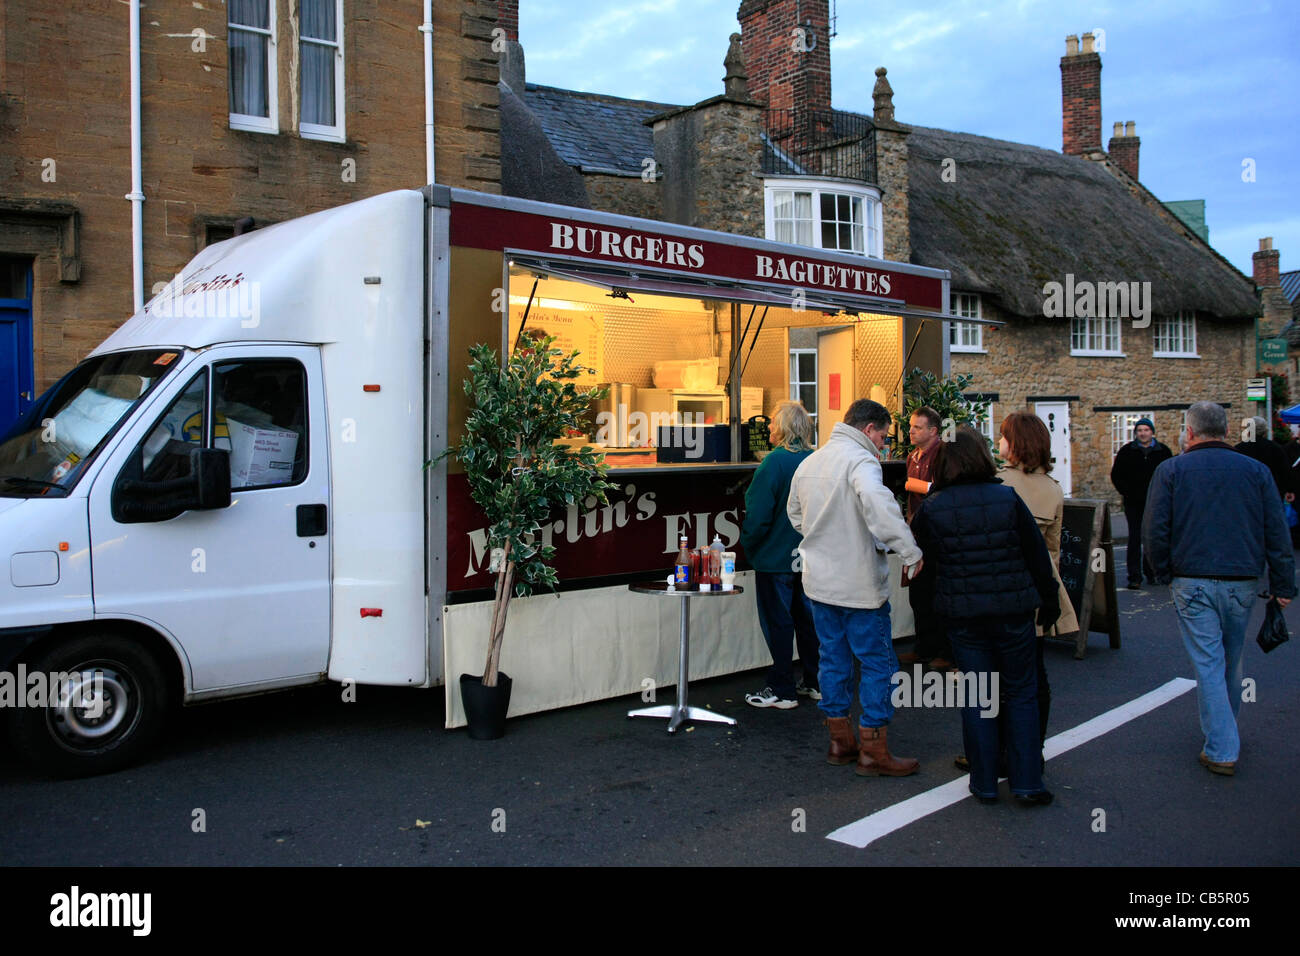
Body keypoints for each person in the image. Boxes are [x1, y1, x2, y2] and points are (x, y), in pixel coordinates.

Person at [1143, 401, 1297, 776]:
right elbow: (1276, 532)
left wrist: (1162, 571)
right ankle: (1223, 733)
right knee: (1230, 659)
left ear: (1190, 433)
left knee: (1209, 664)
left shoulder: (1171, 470)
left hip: (1191, 577)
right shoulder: (1257, 471)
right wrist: (1282, 584)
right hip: (1242, 580)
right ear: (1227, 431)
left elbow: (1154, 529)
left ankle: (1222, 746)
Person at [911, 427, 1060, 806]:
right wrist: (1050, 598)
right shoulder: (1007, 498)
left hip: (963, 615)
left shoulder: (933, 507)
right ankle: (1028, 782)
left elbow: (923, 569)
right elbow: (1036, 556)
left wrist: (932, 622)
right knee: (1021, 692)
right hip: (1013, 610)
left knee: (978, 695)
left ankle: (985, 781)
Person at [787, 399, 924, 776]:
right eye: (883, 435)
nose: (884, 443)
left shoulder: (810, 462)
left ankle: (839, 741)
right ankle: (873, 749)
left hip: (819, 582)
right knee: (878, 662)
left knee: (833, 658)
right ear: (869, 429)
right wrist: (909, 551)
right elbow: (880, 509)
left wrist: (821, 537)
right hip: (860, 584)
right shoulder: (862, 462)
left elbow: (795, 514)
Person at [741, 400, 819, 709]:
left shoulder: (773, 463)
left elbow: (758, 516)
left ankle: (781, 688)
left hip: (774, 559)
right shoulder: (816, 460)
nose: (769, 427)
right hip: (809, 557)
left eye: (774, 422)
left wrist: (750, 547)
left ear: (784, 428)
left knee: (779, 623)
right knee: (808, 621)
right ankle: (814, 682)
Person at [897, 406, 955, 671]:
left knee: (937, 593)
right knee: (918, 595)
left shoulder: (945, 454)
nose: (911, 431)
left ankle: (945, 651)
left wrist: (919, 486)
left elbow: (947, 490)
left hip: (938, 535)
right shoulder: (912, 456)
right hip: (915, 533)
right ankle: (923, 648)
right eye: (911, 426)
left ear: (933, 431)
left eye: (917, 427)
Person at [1110, 417, 1172, 589]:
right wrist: (1126, 491)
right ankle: (1134, 576)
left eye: (1146, 430)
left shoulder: (1163, 452)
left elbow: (1169, 476)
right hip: (1133, 502)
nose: (1143, 433)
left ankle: (1152, 573)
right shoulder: (1127, 451)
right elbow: (1117, 475)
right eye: (1139, 430)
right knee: (1135, 538)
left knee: (1153, 538)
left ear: (1152, 432)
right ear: (1135, 433)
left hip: (1156, 502)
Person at [1233, 415, 1293, 502]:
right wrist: (1289, 490)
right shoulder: (1276, 449)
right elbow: (1285, 471)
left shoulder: (1239, 449)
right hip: (1272, 493)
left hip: (1246, 495)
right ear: (1265, 431)